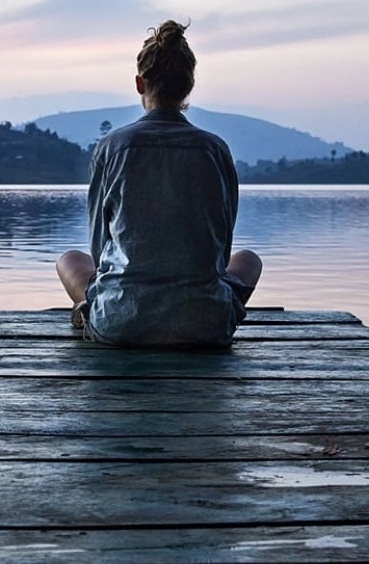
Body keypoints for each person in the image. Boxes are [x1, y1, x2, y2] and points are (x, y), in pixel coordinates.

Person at [56, 20, 262, 346]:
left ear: (140, 84)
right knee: (249, 260)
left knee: (70, 259)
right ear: (189, 86)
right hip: (204, 325)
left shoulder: (112, 148)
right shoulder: (215, 149)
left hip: (120, 324)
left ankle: (89, 311)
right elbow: (221, 254)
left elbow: (97, 250)